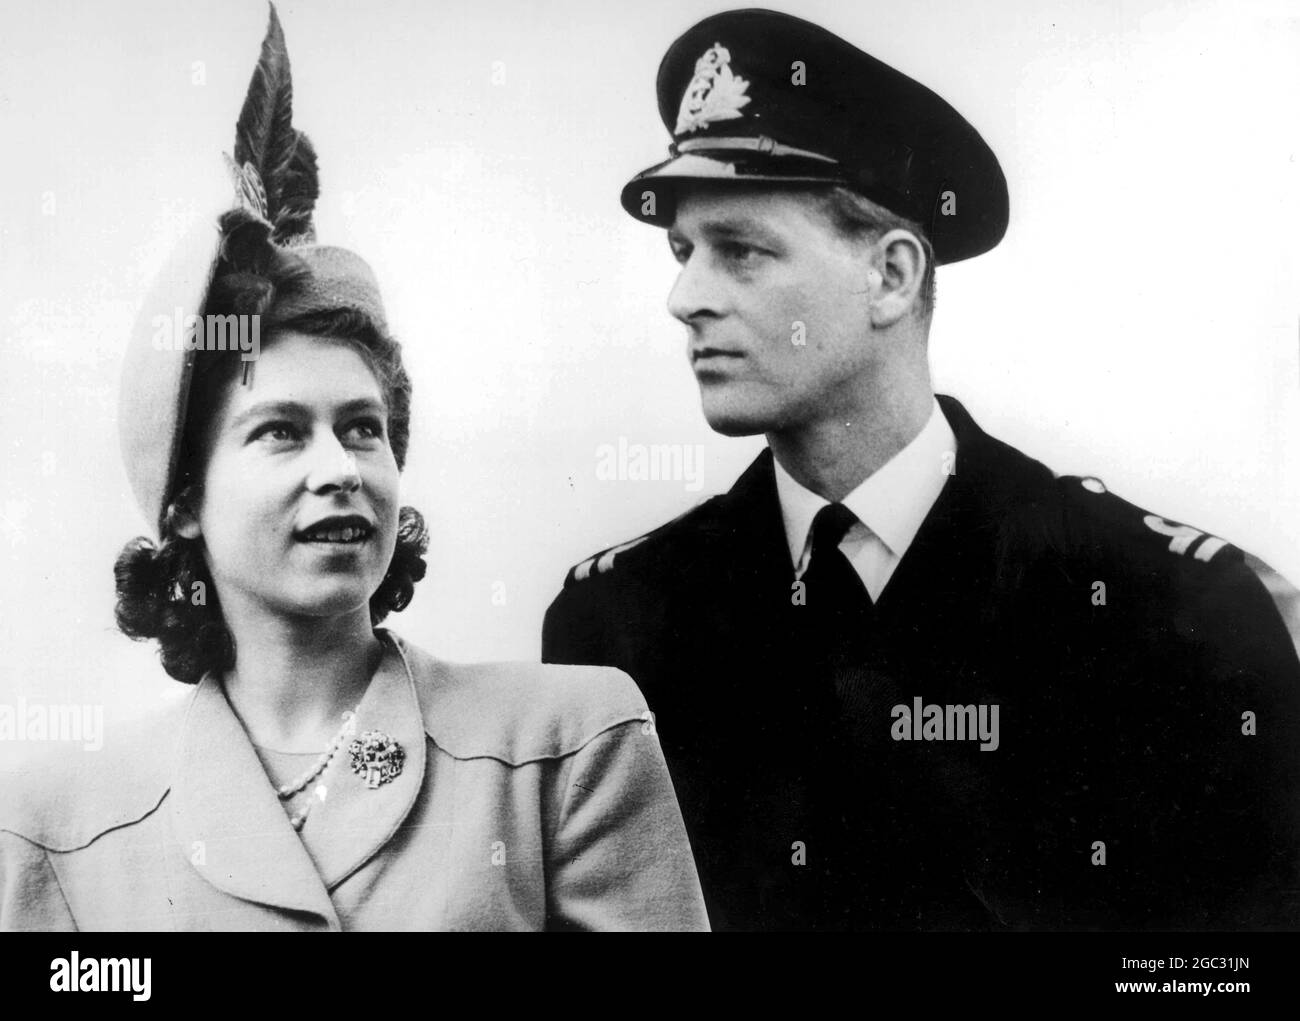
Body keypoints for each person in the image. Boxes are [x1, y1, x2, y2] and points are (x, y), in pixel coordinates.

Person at [543, 8, 1300, 931]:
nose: (684, 297)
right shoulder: (618, 625)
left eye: (740, 251)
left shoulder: (1167, 607)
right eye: (682, 252)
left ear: (893, 276)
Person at [0, 6, 707, 933]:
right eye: (281, 432)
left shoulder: (562, 745)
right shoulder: (59, 827)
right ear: (182, 505)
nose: (341, 467)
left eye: (364, 429)